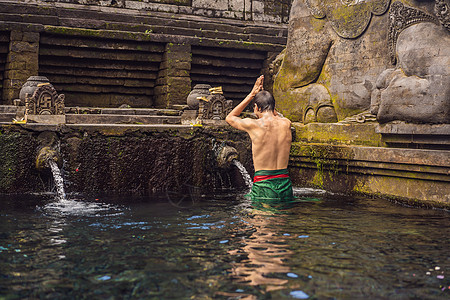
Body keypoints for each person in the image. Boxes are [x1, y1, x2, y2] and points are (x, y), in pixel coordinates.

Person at [225, 75, 294, 202]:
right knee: (281, 221)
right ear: (273, 107)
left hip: (264, 185)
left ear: (257, 107)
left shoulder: (254, 125)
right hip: (285, 186)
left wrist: (252, 94)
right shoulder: (286, 123)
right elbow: (275, 114)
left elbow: (230, 117)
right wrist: (268, 101)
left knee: (260, 221)